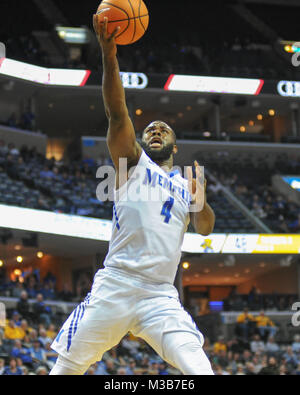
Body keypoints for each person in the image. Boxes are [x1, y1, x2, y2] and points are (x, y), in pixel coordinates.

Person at [50, 15, 215, 376]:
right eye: (150, 129)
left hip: (160, 295)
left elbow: (204, 229)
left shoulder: (186, 183)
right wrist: (109, 52)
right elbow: (116, 111)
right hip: (118, 284)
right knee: (68, 366)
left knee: (199, 367)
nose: (156, 130)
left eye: (164, 129)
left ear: (175, 143)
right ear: (141, 141)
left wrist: (201, 198)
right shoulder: (131, 164)